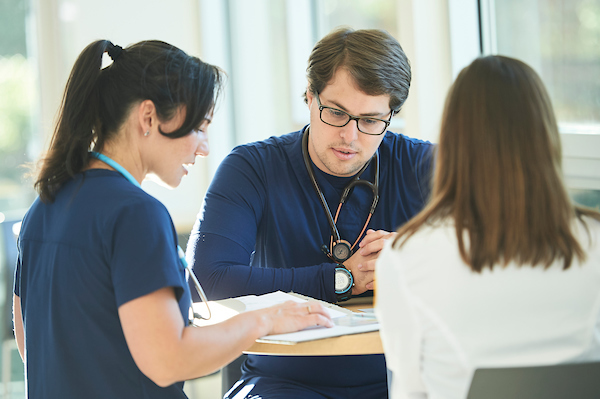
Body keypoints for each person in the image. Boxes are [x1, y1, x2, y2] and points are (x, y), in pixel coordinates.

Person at [13, 39, 333, 399]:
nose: (205, 146)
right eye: (199, 126)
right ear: (148, 117)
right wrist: (267, 319)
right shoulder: (136, 215)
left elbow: (32, 347)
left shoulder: (42, 209)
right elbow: (169, 360)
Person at [187, 27, 434, 398]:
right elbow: (206, 282)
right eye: (336, 112)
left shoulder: (425, 165)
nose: (350, 136)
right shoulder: (251, 167)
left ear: (391, 113)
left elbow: (495, 258)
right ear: (308, 95)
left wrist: (421, 255)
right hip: (281, 382)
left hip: (403, 381)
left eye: (370, 121)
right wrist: (337, 279)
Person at [375, 55, 600, 399]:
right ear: (545, 138)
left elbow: (410, 390)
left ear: (452, 144)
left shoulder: (406, 257)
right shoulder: (592, 241)